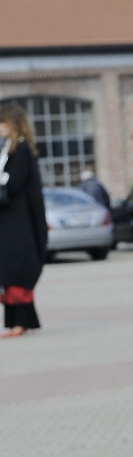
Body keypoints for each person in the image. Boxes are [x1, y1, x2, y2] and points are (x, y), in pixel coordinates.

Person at [0, 102, 47, 339]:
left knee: (15, 271)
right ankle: (22, 322)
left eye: (2, 123)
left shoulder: (20, 151)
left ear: (13, 124)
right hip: (11, 221)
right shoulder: (11, 149)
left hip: (18, 223)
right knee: (9, 271)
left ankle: (19, 323)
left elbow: (13, 184)